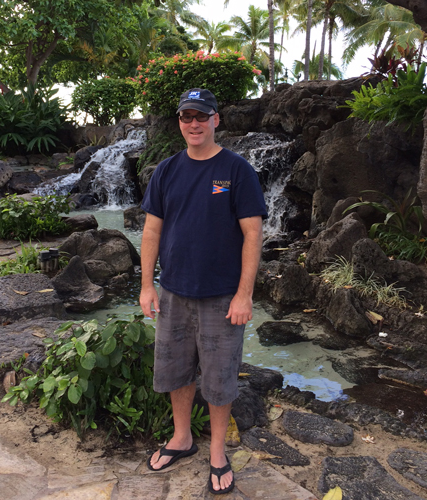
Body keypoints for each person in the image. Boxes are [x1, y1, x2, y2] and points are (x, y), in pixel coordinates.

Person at [139, 88, 267, 495]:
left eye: (201, 116)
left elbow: (252, 233)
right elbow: (152, 230)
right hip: (174, 290)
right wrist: (146, 286)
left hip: (222, 295)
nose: (193, 123)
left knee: (219, 377)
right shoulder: (166, 170)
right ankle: (181, 437)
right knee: (176, 371)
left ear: (216, 120)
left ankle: (216, 451)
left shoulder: (237, 170)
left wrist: (244, 294)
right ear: (179, 122)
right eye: (185, 116)